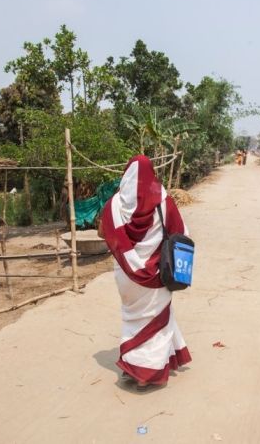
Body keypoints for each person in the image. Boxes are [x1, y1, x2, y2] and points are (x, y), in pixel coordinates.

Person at [98, 155, 192, 390]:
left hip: (126, 274)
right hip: (158, 274)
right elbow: (181, 233)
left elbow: (103, 233)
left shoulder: (114, 204)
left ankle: (133, 366)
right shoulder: (163, 201)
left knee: (133, 319)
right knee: (155, 320)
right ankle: (145, 373)